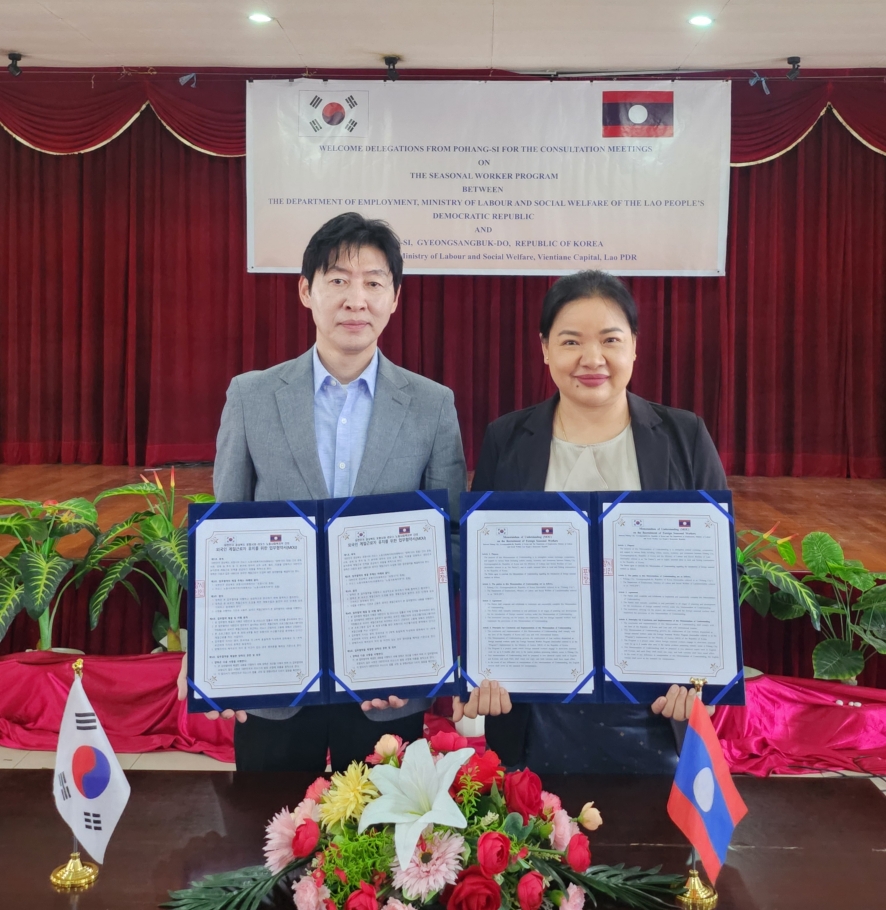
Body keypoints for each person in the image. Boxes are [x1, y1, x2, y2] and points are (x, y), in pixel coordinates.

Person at [178, 212, 467, 772]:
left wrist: (417, 656)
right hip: (273, 678)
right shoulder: (251, 397)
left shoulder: (432, 406)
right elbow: (224, 542)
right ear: (306, 291)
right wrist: (216, 657)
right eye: (338, 280)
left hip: (386, 681)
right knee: (268, 824)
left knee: (383, 826)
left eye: (373, 282)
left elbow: (449, 540)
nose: (356, 299)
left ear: (395, 298)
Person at [456, 269, 726, 774]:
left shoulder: (683, 435)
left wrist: (702, 675)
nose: (592, 358)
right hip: (537, 705)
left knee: (652, 825)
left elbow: (714, 569)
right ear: (544, 349)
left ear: (635, 346)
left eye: (610, 340)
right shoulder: (507, 439)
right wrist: (481, 666)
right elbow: (482, 571)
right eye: (571, 341)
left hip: (656, 703)